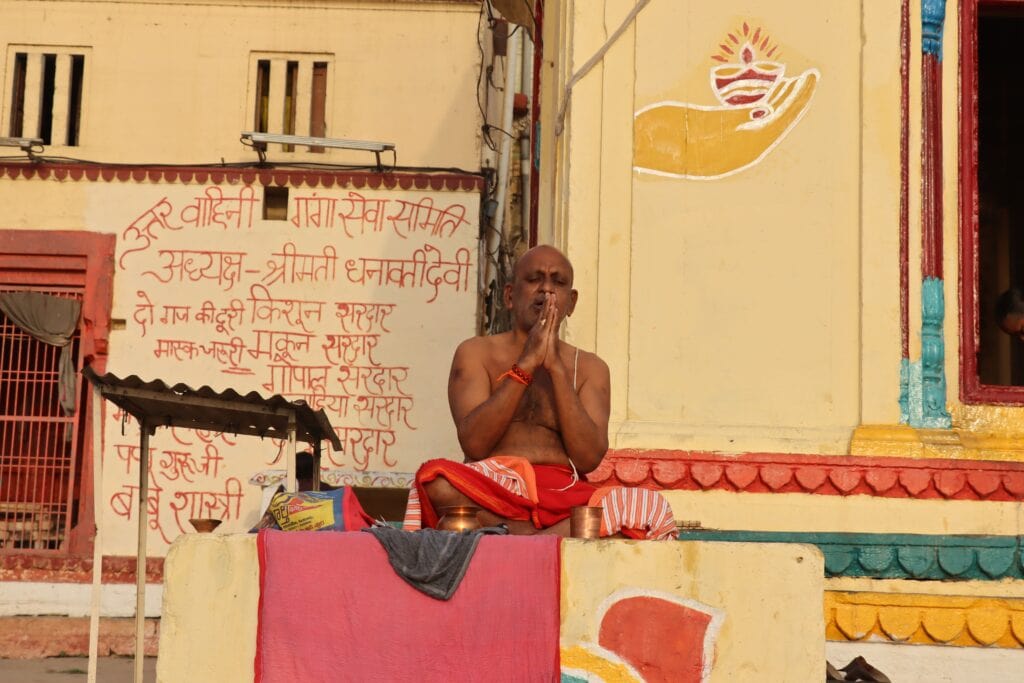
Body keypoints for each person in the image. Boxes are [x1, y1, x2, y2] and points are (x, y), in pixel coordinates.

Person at [403, 245, 675, 539]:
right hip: (494, 493)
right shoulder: (477, 353)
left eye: (557, 282)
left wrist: (556, 368)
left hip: (564, 496)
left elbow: (587, 459)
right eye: (534, 279)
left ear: (570, 303)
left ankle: (522, 537)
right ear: (509, 295)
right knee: (435, 479)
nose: (546, 290)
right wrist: (527, 365)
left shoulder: (589, 367)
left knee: (651, 509)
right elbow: (475, 444)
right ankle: (546, 537)